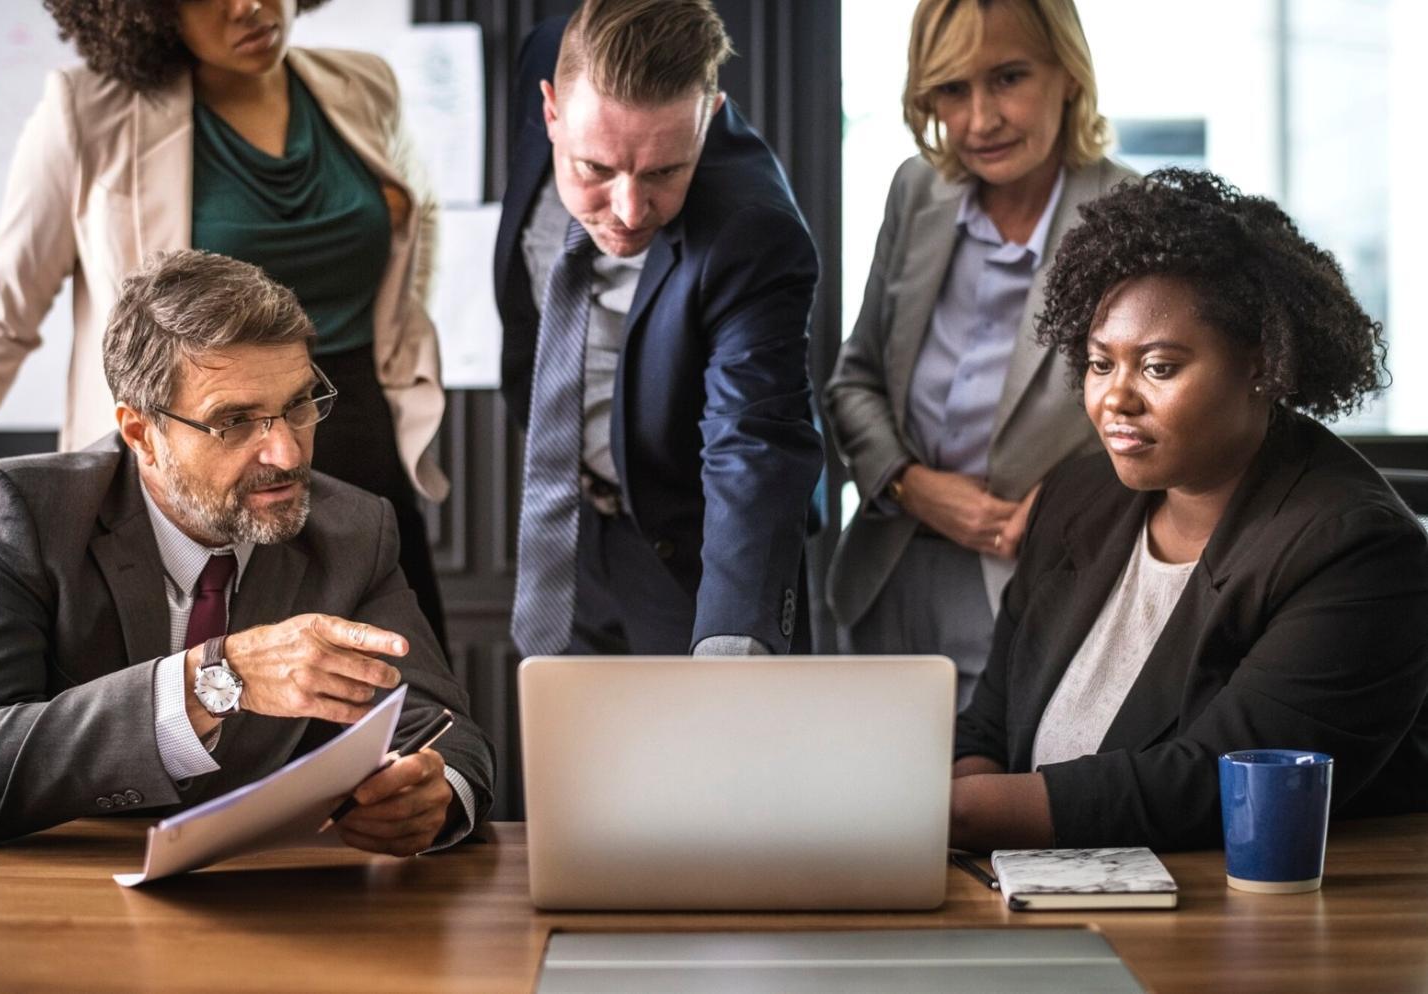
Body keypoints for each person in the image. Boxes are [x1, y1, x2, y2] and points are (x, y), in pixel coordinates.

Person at [0, 250, 494, 850]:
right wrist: (212, 680)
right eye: (233, 422)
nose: (286, 454)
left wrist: (433, 794)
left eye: (299, 406)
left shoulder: (355, 527)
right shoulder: (20, 512)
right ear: (140, 434)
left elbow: (443, 730)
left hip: (273, 897)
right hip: (66, 895)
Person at [0, 0, 451, 648]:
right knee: (198, 705)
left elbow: (414, 226)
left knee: (396, 692)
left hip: (352, 438)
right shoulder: (88, 111)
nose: (250, 6)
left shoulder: (362, 82)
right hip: (195, 457)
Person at [951, 169, 1428, 853]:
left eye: (1159, 367)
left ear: (1262, 365)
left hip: (1240, 924)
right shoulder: (1075, 498)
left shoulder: (1355, 549)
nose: (1115, 399)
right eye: (1098, 363)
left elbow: (1213, 786)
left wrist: (961, 817)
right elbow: (990, 726)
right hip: (1031, 894)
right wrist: (968, 835)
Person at [825, 0, 1133, 706]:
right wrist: (909, 483)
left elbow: (1162, 426)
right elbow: (855, 379)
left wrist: (1055, 504)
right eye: (952, 89)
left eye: (1008, 78)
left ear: (1068, 73)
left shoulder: (1127, 215)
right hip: (884, 575)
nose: (978, 120)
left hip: (1037, 582)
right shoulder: (916, 188)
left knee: (984, 810)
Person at [494, 0, 822, 656]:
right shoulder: (548, 52)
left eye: (664, 172)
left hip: (693, 550)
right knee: (573, 752)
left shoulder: (754, 231)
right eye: (595, 169)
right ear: (551, 110)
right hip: (566, 523)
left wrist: (734, 640)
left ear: (710, 115)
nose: (628, 210)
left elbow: (753, 441)